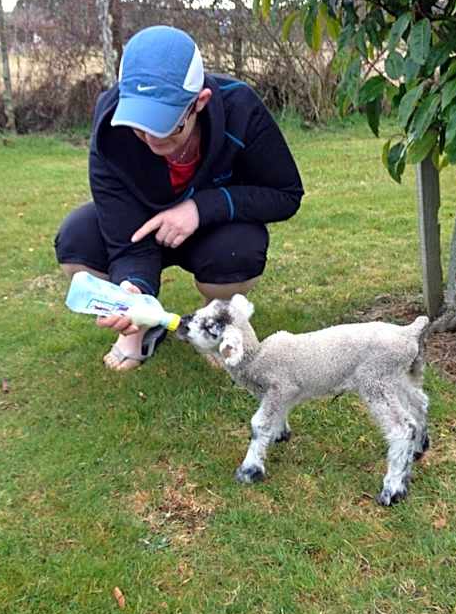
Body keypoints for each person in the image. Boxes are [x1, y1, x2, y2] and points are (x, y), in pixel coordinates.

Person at [54, 25, 304, 371]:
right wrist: (132, 292)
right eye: (139, 124)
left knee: (240, 247)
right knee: (76, 239)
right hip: (140, 228)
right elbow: (124, 234)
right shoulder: (110, 126)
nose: (150, 137)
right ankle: (142, 325)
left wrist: (201, 208)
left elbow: (286, 194)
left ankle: (214, 321)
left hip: (212, 235)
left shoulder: (241, 107)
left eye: (165, 124)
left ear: (199, 102)